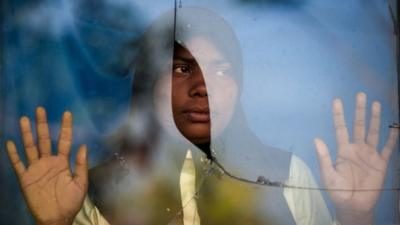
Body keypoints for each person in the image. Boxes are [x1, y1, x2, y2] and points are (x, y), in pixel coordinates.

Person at [5, 7, 399, 225]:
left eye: (222, 70)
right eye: (181, 68)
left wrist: (355, 213)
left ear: (240, 87)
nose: (203, 86)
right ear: (147, 82)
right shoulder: (97, 190)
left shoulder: (285, 174)